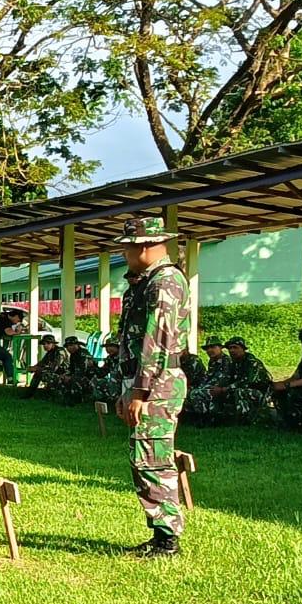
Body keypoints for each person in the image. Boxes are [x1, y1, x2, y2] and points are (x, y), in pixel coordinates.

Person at [114, 216, 190, 558]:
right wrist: (126, 387)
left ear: (145, 246)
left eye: (128, 248)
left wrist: (140, 392)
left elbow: (156, 341)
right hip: (145, 382)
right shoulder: (145, 283)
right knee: (144, 457)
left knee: (154, 460)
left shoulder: (165, 281)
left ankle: (167, 540)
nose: (125, 254)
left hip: (158, 384)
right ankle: (161, 534)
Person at [211, 337, 273, 424]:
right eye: (230, 348)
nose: (232, 350)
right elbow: (227, 379)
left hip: (261, 393)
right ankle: (215, 419)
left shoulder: (252, 362)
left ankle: (244, 421)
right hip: (244, 390)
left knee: (239, 391)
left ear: (243, 349)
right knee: (217, 392)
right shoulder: (234, 363)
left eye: (235, 347)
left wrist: (224, 389)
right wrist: (218, 388)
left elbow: (247, 382)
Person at [184, 337, 229, 421]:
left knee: (196, 393)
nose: (209, 350)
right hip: (212, 387)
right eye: (207, 348)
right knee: (189, 392)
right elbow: (207, 377)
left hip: (222, 388)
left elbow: (222, 379)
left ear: (220, 348)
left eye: (213, 347)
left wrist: (202, 387)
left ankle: (205, 418)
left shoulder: (226, 361)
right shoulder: (212, 361)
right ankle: (192, 418)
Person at [56, 335, 98, 406]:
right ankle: (64, 398)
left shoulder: (83, 354)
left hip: (90, 378)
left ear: (77, 345)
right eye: (67, 346)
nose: (69, 348)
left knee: (75, 380)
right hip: (80, 376)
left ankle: (77, 401)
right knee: (61, 378)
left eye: (71, 345)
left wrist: (70, 377)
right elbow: (71, 368)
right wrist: (65, 375)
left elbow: (82, 371)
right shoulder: (73, 355)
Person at [23, 333, 67, 398]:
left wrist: (37, 369)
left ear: (53, 344)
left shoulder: (59, 351)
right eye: (44, 344)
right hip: (56, 374)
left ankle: (52, 395)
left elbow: (53, 368)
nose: (45, 345)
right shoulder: (50, 352)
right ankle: (29, 394)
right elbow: (42, 363)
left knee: (44, 374)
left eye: (48, 343)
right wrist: (34, 367)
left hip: (64, 375)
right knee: (39, 373)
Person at [92, 335, 122, 405]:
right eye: (106, 347)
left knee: (113, 378)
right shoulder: (109, 359)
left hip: (125, 382)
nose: (108, 349)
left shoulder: (123, 357)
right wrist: (94, 365)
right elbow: (102, 373)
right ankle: (101, 400)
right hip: (115, 382)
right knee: (96, 379)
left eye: (111, 346)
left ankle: (117, 400)